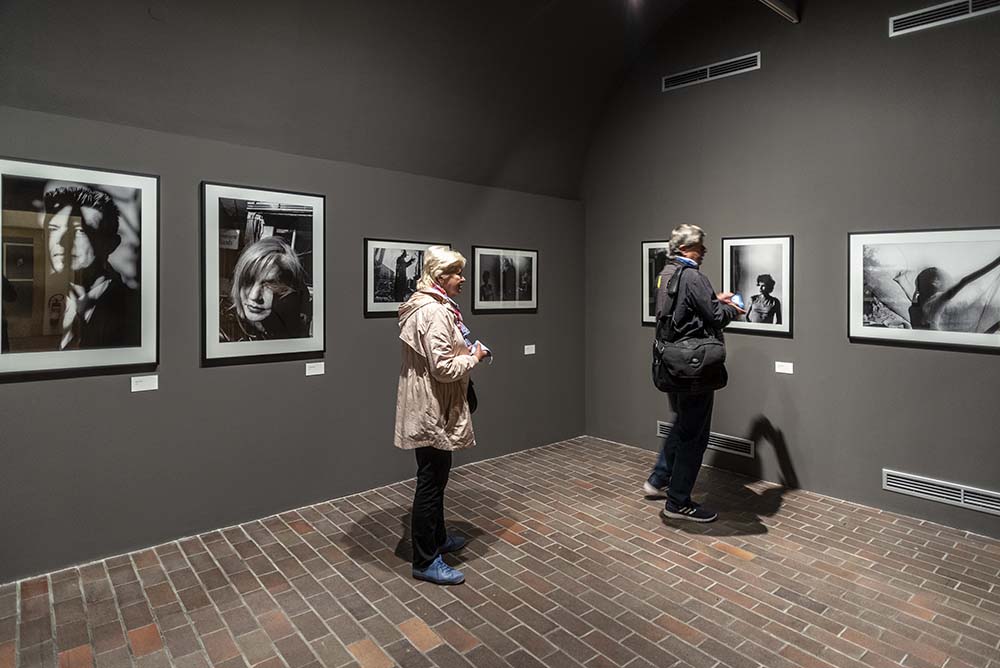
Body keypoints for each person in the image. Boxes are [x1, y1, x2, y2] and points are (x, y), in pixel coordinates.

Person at [395, 246, 489, 585]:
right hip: (432, 407)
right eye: (457, 273)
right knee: (431, 482)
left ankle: (437, 539)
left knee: (437, 476)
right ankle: (425, 560)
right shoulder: (433, 312)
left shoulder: (430, 306)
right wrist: (474, 357)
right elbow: (444, 367)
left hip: (431, 404)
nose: (463, 279)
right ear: (440, 277)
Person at [644, 224, 743, 522]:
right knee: (694, 436)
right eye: (700, 247)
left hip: (671, 364)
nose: (704, 252)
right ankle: (678, 502)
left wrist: (713, 299)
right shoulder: (693, 276)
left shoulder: (666, 273)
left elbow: (685, 310)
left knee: (681, 425)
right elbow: (713, 316)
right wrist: (732, 308)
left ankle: (661, 478)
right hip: (694, 369)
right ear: (686, 249)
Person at [43, 184, 140, 350]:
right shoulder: (52, 300)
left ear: (110, 244)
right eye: (54, 229)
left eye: (80, 230)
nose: (61, 241)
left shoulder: (133, 309)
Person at [219, 236, 311, 342]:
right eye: (247, 282)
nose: (254, 296)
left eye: (269, 285)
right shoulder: (222, 334)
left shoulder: (287, 327)